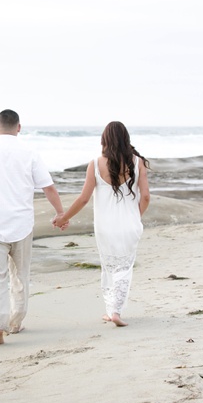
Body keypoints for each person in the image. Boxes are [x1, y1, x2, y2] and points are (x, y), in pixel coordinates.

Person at [0, 110, 67, 346]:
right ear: (19, 127)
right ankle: (15, 322)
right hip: (21, 224)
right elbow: (48, 187)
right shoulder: (29, 153)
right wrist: (60, 213)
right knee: (20, 276)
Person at [53, 121, 150, 327]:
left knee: (108, 266)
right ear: (126, 139)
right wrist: (135, 216)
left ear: (104, 140)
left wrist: (63, 218)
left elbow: (83, 199)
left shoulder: (96, 164)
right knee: (125, 266)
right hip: (130, 225)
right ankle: (115, 311)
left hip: (105, 227)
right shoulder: (137, 162)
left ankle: (111, 310)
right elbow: (146, 197)